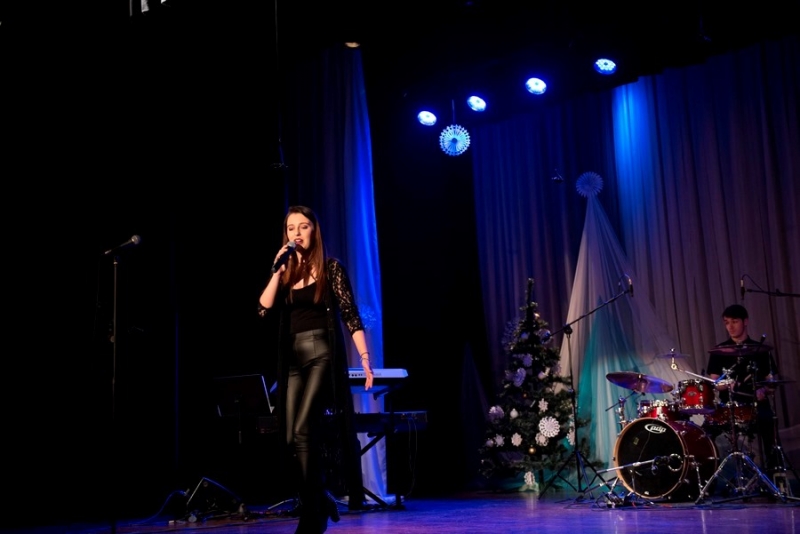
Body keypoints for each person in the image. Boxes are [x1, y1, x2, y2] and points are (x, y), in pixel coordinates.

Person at [258, 205, 374, 534]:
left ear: (314, 231)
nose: (297, 233)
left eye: (303, 226)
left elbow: (350, 314)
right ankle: (320, 498)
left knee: (304, 429)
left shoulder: (331, 268)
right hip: (292, 358)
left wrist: (365, 358)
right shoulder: (286, 272)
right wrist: (277, 271)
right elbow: (263, 308)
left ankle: (312, 512)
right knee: (290, 437)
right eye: (291, 228)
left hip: (321, 352)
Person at [706, 304, 778, 474]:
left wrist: (764, 390)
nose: (730, 327)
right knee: (706, 433)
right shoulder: (719, 350)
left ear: (745, 322)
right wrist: (727, 384)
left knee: (769, 426)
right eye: (726, 323)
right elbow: (714, 382)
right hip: (727, 407)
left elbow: (772, 382)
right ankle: (709, 478)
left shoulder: (760, 350)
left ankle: (774, 475)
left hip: (756, 405)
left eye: (734, 321)